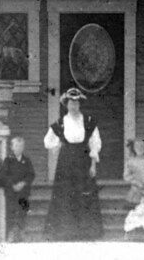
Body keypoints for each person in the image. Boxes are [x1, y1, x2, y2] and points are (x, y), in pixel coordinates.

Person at [43, 87, 103, 241]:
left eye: (76, 103)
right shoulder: (60, 122)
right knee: (65, 195)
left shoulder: (88, 121)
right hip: (66, 162)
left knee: (84, 194)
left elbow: (94, 143)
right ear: (66, 105)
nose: (73, 106)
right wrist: (58, 148)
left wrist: (93, 165)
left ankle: (86, 233)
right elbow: (48, 141)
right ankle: (65, 232)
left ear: (80, 104)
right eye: (70, 103)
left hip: (83, 161)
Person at [0, 135, 36, 241]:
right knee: (10, 212)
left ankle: (20, 233)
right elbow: (4, 175)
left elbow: (31, 174)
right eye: (16, 146)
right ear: (12, 147)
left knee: (22, 212)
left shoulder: (26, 160)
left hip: (23, 192)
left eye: (21, 146)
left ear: (23, 148)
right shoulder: (8, 160)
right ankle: (10, 234)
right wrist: (13, 184)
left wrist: (23, 183)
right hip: (11, 192)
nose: (19, 148)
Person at [122, 138, 144, 240]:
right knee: (133, 212)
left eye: (142, 147)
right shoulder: (130, 161)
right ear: (133, 148)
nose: (140, 149)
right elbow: (126, 176)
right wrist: (135, 182)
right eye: (137, 147)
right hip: (135, 189)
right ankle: (132, 231)